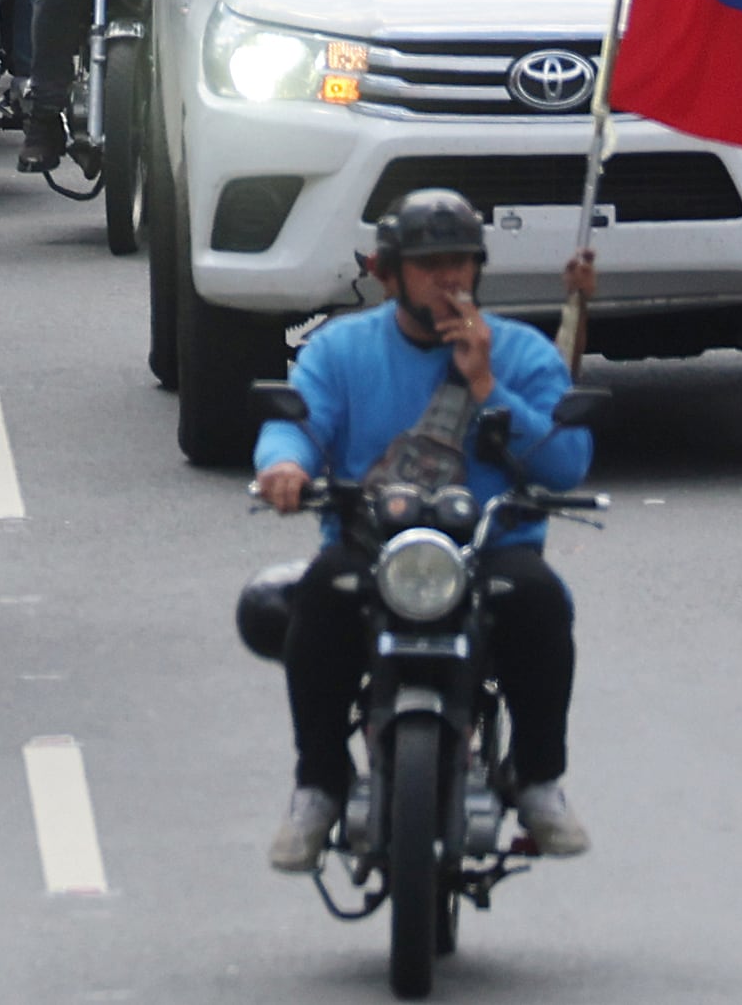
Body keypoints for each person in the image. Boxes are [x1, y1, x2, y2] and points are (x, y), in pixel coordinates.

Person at [250, 189, 594, 871]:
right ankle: (317, 783)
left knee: (540, 601)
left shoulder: (520, 352)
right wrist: (282, 465)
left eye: (459, 264)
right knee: (321, 593)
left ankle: (536, 778)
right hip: (371, 546)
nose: (447, 279)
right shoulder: (340, 348)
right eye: (430, 264)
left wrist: (486, 382)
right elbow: (294, 420)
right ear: (390, 273)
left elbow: (563, 462)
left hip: (490, 548)